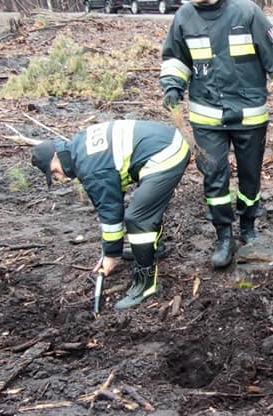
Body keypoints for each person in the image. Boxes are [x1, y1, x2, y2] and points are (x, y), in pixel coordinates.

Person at [160, 0, 273, 269]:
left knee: (250, 178)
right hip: (206, 118)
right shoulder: (184, 17)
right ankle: (224, 235)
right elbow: (175, 59)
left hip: (249, 117)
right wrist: (172, 86)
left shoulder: (247, 13)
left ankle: (248, 227)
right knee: (214, 179)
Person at [31, 120, 191, 310]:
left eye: (54, 172)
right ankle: (152, 249)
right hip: (166, 141)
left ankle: (146, 284)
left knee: (138, 218)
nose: (59, 178)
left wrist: (111, 255)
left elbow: (110, 212)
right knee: (142, 208)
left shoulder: (90, 168)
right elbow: (113, 191)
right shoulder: (80, 146)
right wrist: (109, 249)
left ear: (56, 156)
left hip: (165, 153)